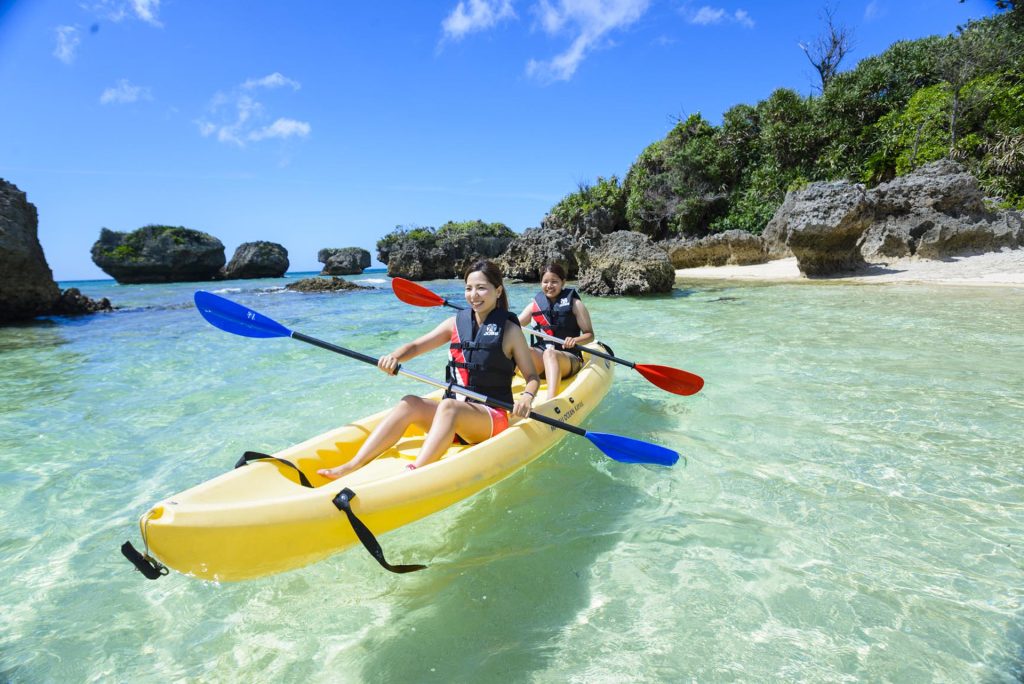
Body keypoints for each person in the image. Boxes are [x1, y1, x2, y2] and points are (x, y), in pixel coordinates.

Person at [319, 260, 540, 479]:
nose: (474, 295)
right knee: (409, 403)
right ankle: (352, 465)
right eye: (468, 288)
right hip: (454, 418)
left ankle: (415, 473)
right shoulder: (455, 324)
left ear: (498, 290)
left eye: (481, 288)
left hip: (490, 417)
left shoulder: (510, 331)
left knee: (448, 407)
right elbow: (415, 346)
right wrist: (394, 357)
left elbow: (531, 376)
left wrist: (527, 397)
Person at [517, 262, 595, 401]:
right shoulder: (534, 305)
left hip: (568, 359)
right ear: (541, 283)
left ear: (563, 282)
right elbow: (514, 326)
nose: (549, 285)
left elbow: (590, 335)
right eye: (545, 282)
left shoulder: (575, 304)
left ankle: (551, 401)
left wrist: (575, 340)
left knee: (550, 353)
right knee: (524, 350)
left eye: (554, 282)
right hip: (541, 359)